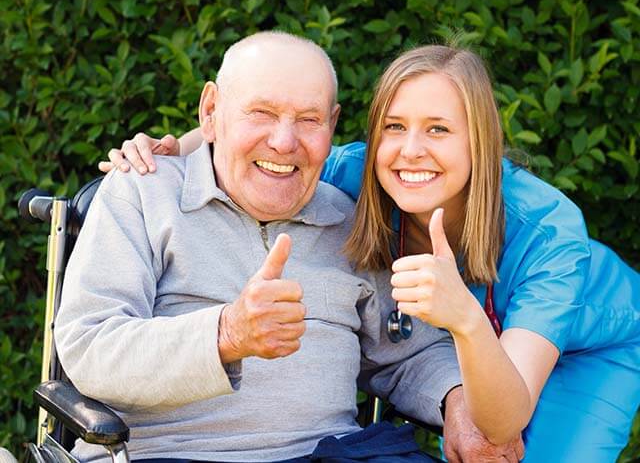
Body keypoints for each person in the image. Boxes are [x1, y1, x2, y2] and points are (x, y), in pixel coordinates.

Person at [105, 44, 640, 462]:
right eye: (394, 127)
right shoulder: (355, 173)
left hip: (589, 342)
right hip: (462, 329)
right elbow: (273, 140)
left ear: (479, 141)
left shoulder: (549, 231)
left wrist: (469, 324)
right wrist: (172, 145)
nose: (410, 151)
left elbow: (504, 418)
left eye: (439, 130)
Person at [55, 32, 471, 463]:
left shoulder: (348, 220)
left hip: (332, 454)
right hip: (171, 453)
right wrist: (226, 334)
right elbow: (90, 345)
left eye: (309, 120)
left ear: (332, 124)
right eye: (262, 113)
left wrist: (456, 402)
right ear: (211, 111)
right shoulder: (142, 195)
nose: (284, 142)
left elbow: (408, 352)